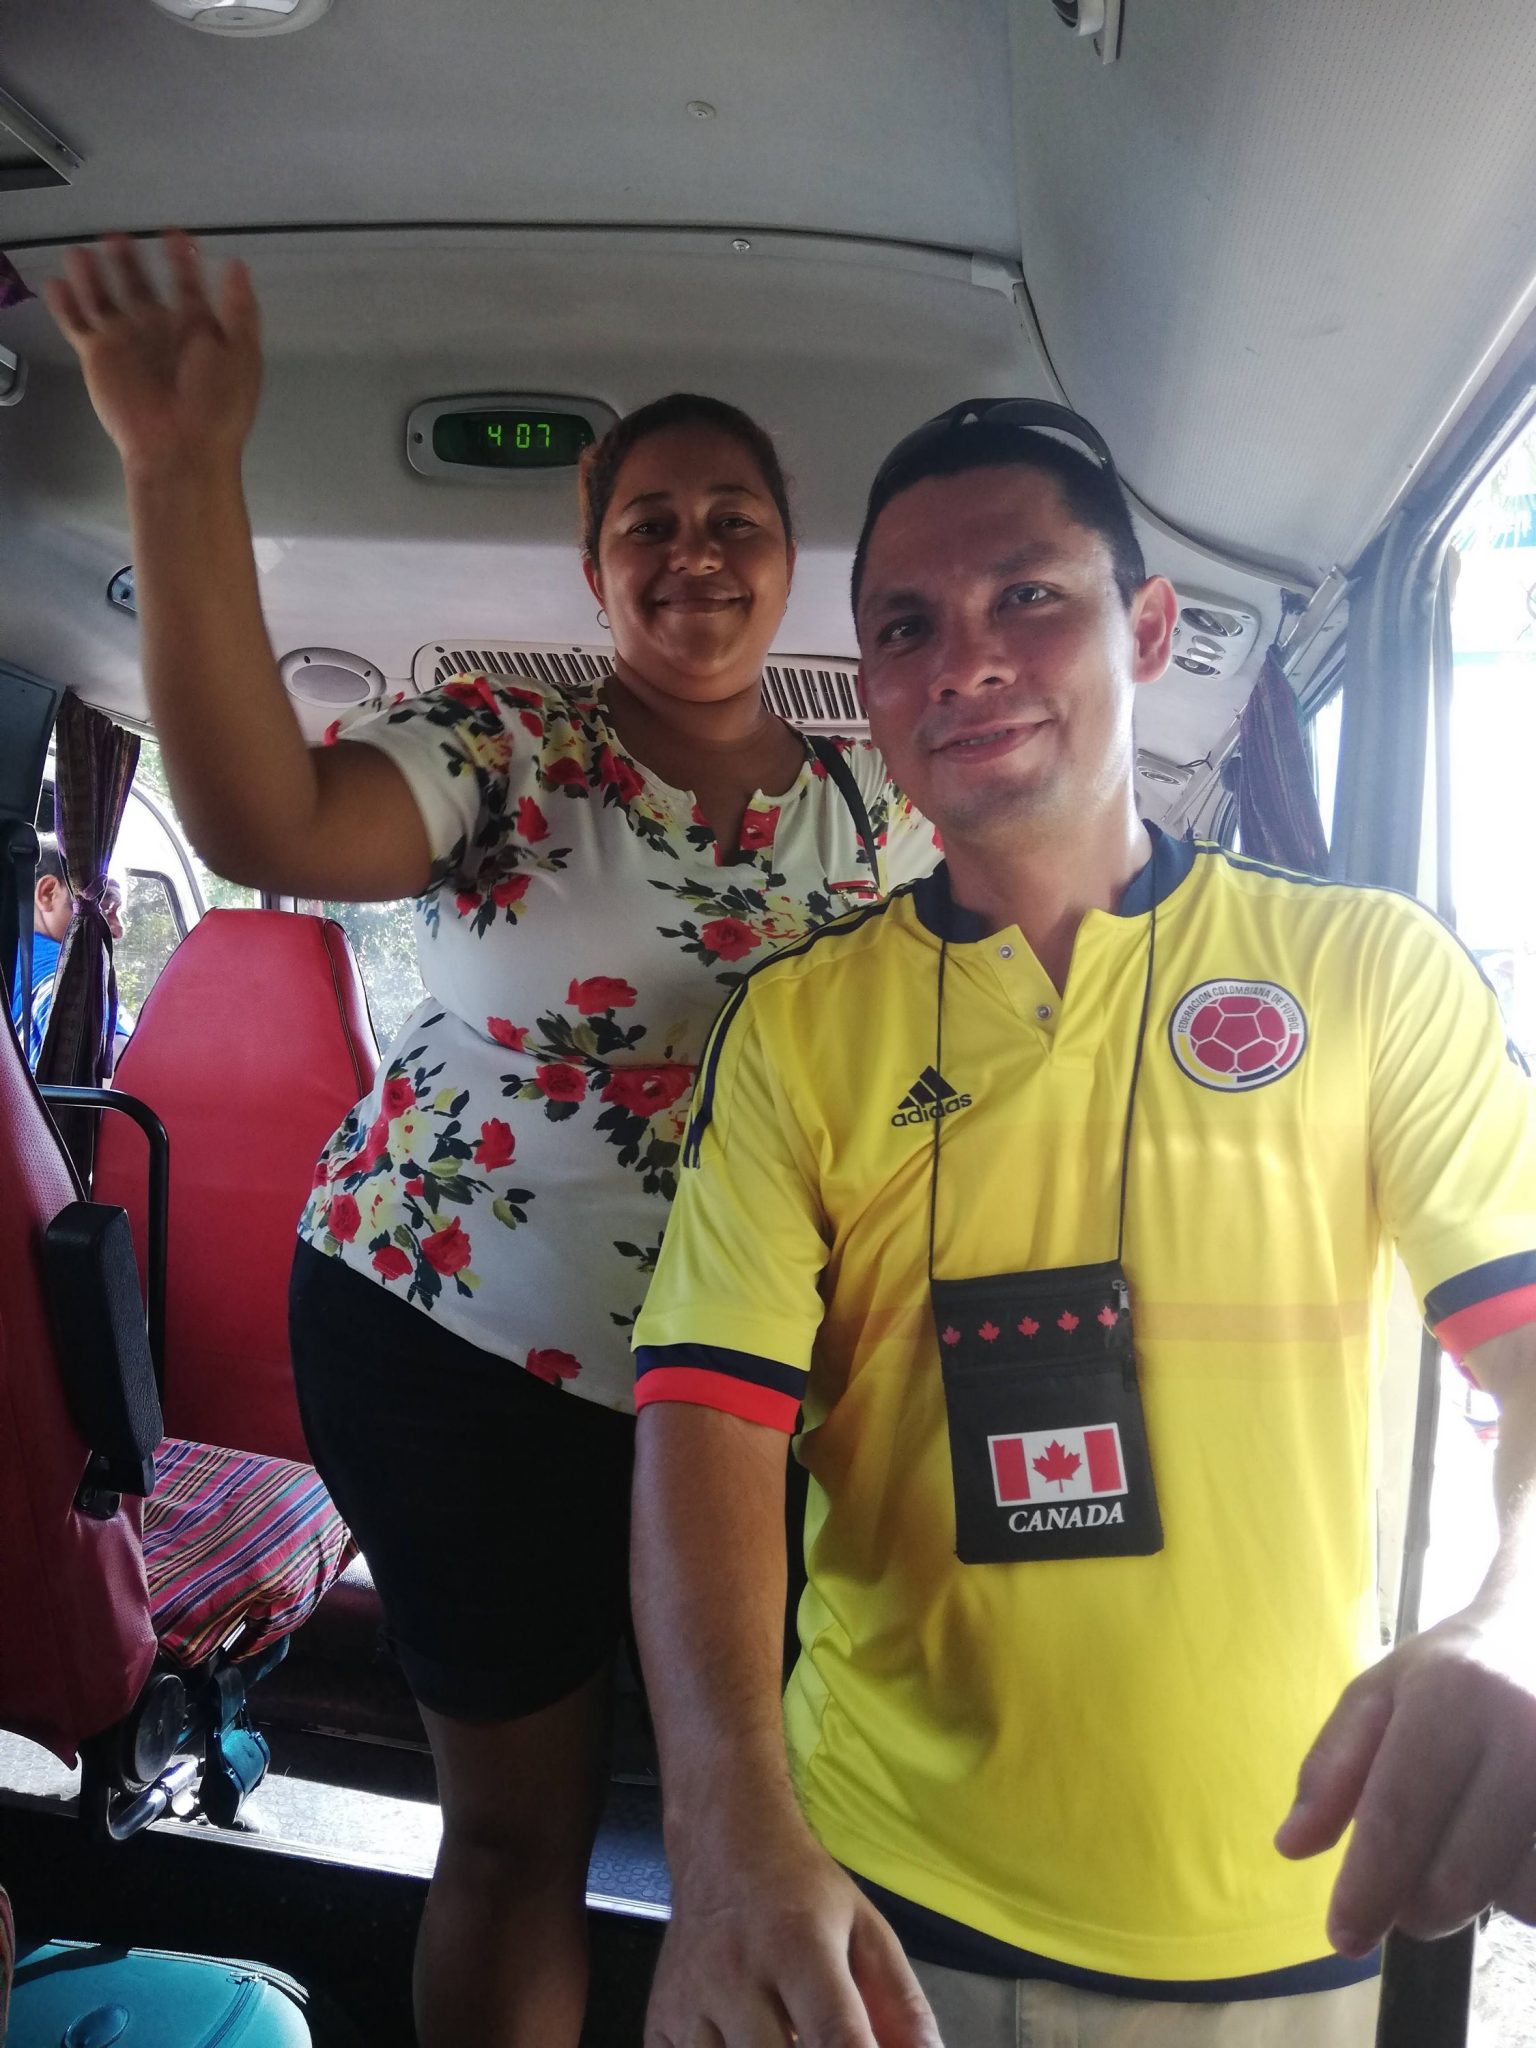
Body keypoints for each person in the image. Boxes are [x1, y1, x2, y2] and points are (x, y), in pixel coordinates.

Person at [44, 230, 938, 2048]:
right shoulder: (499, 743)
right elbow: (268, 821)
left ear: (791, 557)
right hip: (447, 1341)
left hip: (751, 1384)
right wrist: (181, 470)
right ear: (595, 568)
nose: (694, 550)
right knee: (517, 1828)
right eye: (649, 521)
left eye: (736, 518)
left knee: (767, 1825)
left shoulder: (884, 817)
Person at [630, 399, 1536, 2047]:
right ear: (869, 685)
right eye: (905, 626)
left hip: (1286, 1892)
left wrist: (1517, 1614)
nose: (964, 661)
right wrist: (722, 1838)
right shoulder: (795, 1028)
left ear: (1149, 630)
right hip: (874, 1898)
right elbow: (707, 1425)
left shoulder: (1371, 974)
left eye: (1028, 596)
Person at [8, 842, 71, 1067]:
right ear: (48, 893)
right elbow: (121, 1071)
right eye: (106, 904)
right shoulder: (65, 973)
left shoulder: (10, 960)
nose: (119, 930)